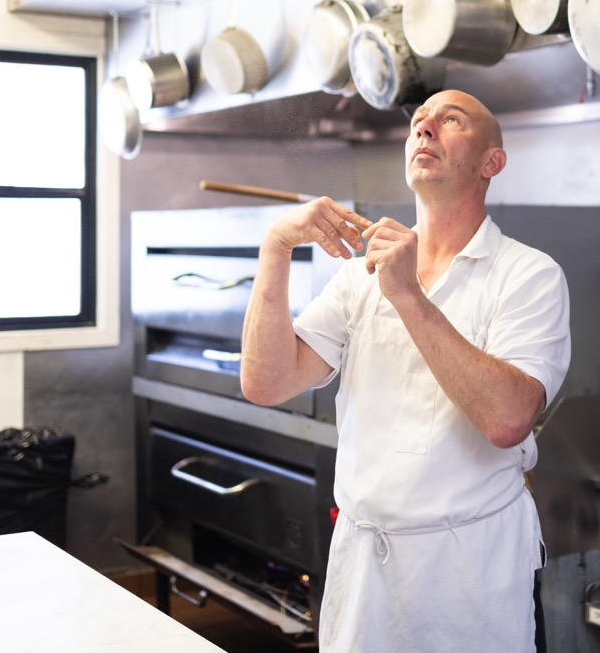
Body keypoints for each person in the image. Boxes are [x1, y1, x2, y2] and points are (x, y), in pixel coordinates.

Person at [241, 89, 571, 652]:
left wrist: (409, 296)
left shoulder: (529, 275)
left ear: (492, 162)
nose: (425, 128)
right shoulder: (359, 276)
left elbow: (508, 420)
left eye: (450, 120)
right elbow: (267, 382)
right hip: (363, 566)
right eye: (418, 121)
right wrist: (276, 247)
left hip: (467, 573)